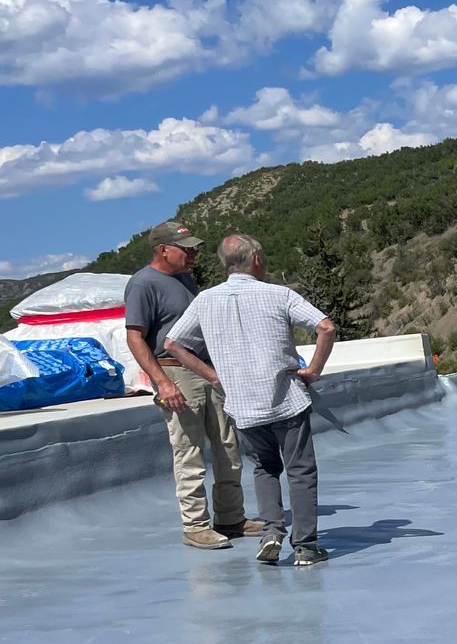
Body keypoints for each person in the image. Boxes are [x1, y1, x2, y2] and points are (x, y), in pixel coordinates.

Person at [164, 235, 337, 568]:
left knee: (264, 468)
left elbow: (172, 343)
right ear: (256, 258)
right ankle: (304, 546)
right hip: (286, 398)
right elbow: (325, 327)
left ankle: (272, 533)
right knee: (300, 471)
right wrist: (313, 370)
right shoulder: (279, 293)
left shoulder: (204, 300)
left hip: (242, 404)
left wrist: (212, 375)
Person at [124, 221, 261, 550]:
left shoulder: (185, 279)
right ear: (163, 250)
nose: (194, 254)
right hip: (175, 374)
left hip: (207, 370)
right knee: (189, 452)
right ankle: (195, 526)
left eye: (195, 248)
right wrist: (162, 383)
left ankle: (231, 517)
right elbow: (135, 338)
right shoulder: (143, 284)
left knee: (228, 447)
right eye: (186, 249)